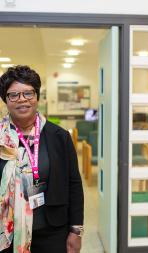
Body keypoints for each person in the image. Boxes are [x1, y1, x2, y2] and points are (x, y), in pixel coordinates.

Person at [0, 65, 84, 253]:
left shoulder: (59, 136)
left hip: (52, 231)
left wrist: (76, 231)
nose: (22, 100)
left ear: (37, 96)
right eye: (13, 95)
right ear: (5, 100)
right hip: (6, 233)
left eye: (28, 93)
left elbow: (74, 184)